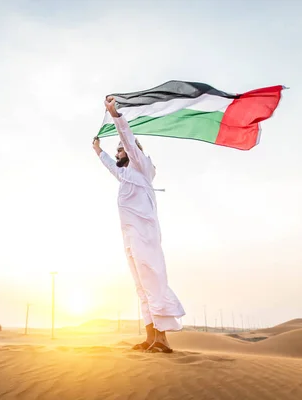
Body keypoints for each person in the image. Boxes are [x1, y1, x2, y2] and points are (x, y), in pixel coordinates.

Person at [92, 96, 185, 353]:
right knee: (140, 286)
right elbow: (111, 166)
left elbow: (129, 140)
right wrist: (98, 151)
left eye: (120, 150)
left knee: (152, 282)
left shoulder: (141, 166)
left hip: (145, 236)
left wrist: (115, 115)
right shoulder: (124, 175)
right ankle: (149, 336)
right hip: (130, 238)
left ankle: (162, 340)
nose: (118, 153)